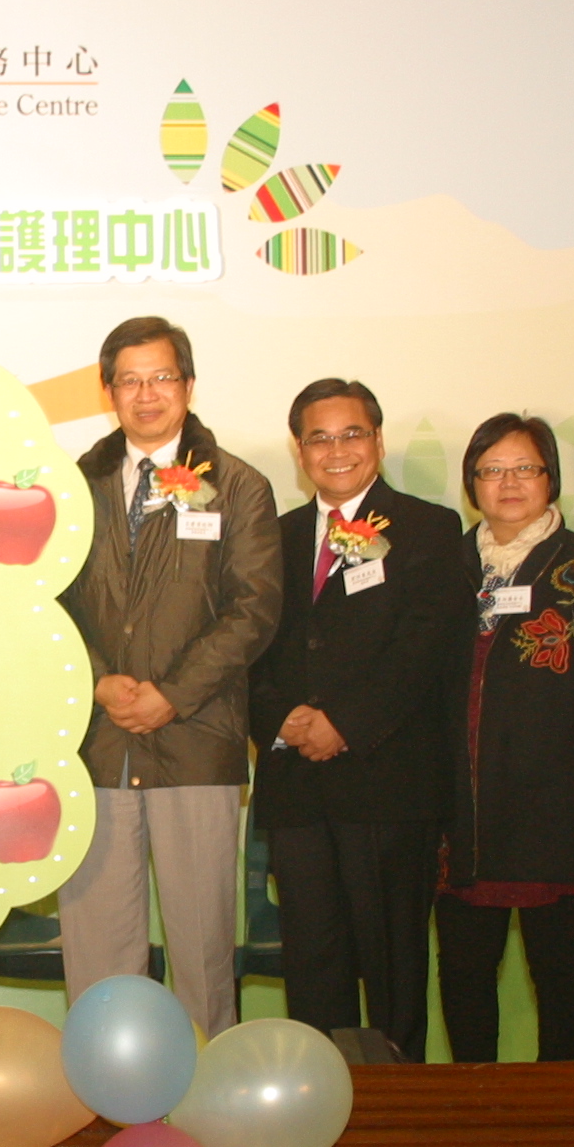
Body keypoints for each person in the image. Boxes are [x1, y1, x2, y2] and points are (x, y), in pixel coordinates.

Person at [58, 318, 283, 1037]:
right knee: (98, 952)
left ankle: (207, 1108)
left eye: (161, 377)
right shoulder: (75, 487)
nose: (146, 394)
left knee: (203, 950)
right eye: (130, 380)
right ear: (108, 391)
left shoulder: (239, 485)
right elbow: (47, 600)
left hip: (197, 742)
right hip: (96, 746)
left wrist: (172, 695)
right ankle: (103, 1097)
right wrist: (97, 682)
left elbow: (255, 610)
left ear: (187, 385)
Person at [245, 378, 468, 1052]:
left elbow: (422, 648)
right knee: (312, 968)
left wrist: (343, 721)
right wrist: (279, 716)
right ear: (298, 448)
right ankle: (316, 1116)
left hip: (387, 786)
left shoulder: (429, 527)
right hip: (297, 793)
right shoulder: (270, 537)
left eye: (351, 434)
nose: (335, 449)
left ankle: (397, 1122)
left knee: (393, 970)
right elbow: (246, 642)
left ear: (376, 440)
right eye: (319, 436)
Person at [436, 414, 574, 1062]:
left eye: (524, 468)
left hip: (557, 806)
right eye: (492, 470)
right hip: (461, 811)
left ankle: (561, 1099)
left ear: (549, 478)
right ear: (472, 483)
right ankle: (473, 1104)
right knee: (465, 970)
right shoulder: (447, 565)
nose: (508, 483)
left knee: (558, 967)